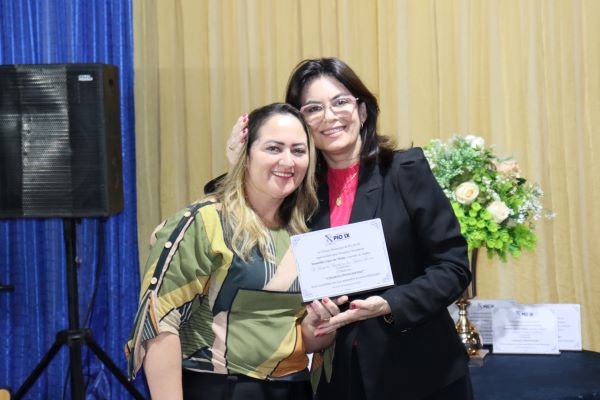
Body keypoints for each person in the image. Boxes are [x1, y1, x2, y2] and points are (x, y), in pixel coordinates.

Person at [224, 58, 473, 400]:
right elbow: (236, 213)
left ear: (362, 111)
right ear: (301, 123)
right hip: (336, 374)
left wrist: (390, 304)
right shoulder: (298, 190)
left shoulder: (404, 171)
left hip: (419, 371)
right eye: (313, 108)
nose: (329, 116)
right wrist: (239, 163)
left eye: (340, 102)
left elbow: (453, 267)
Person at [125, 102, 344, 400]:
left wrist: (318, 327)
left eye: (298, 150)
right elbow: (160, 324)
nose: (287, 161)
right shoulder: (204, 222)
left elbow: (298, 336)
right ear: (246, 154)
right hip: (219, 387)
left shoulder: (303, 234)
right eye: (273, 148)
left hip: (294, 387)